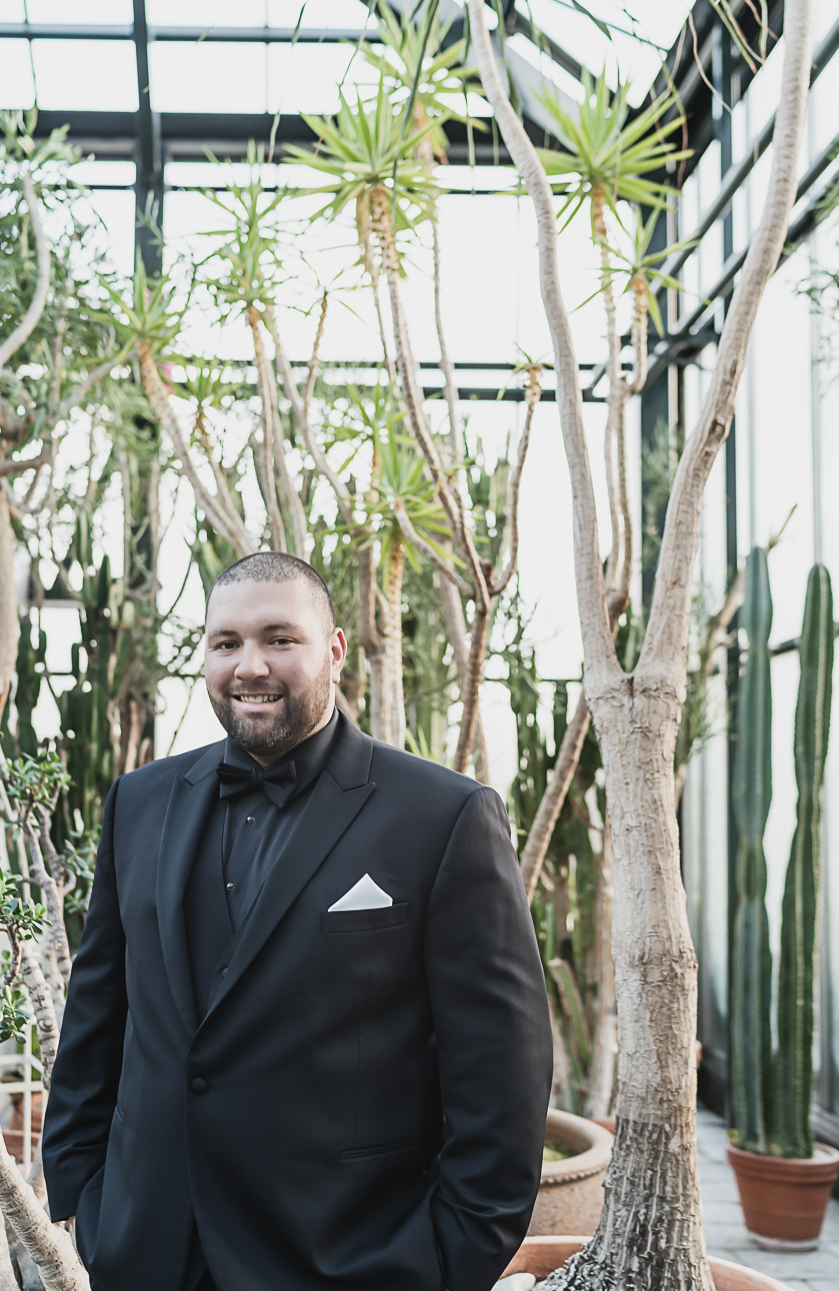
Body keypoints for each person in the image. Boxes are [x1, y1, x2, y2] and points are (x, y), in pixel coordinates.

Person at [42, 551, 552, 1291]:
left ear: (335, 650)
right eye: (226, 643)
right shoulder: (138, 802)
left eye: (280, 638)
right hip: (145, 1250)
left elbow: (503, 1071)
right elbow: (97, 1014)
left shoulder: (442, 816)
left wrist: (443, 1259)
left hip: (343, 1260)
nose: (250, 666)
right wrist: (87, 1197)